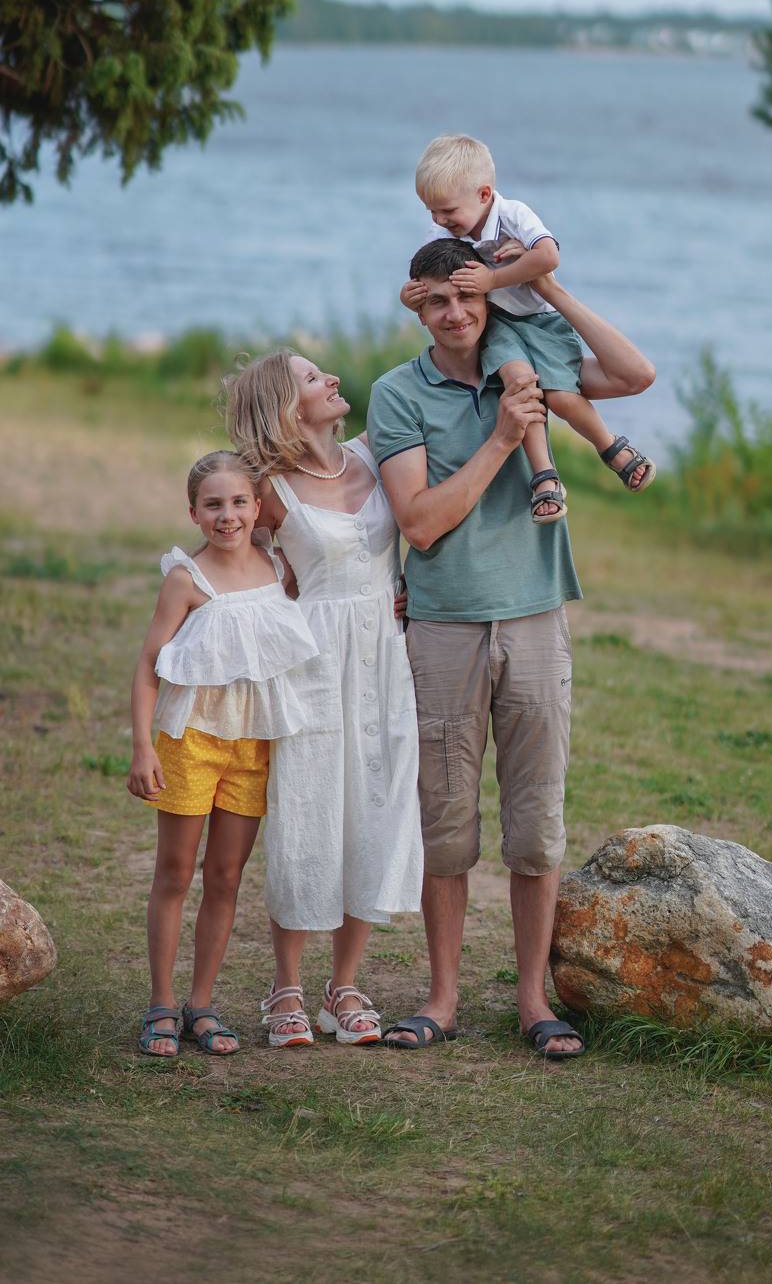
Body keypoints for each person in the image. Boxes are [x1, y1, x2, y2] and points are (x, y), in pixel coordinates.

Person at [370, 238, 655, 1058]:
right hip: (443, 626)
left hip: (534, 618)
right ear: (417, 307)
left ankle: (533, 1001)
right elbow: (419, 523)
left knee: (535, 829)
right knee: (445, 826)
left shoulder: (530, 366)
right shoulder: (397, 393)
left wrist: (546, 286)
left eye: (466, 296)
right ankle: (442, 998)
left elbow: (634, 374)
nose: (454, 313)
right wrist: (500, 440)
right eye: (436, 301)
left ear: (488, 296)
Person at [227, 351, 422, 1048]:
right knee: (306, 812)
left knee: (375, 804)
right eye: (313, 379)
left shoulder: (375, 454)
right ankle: (285, 986)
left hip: (384, 658)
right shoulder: (267, 487)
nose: (333, 380)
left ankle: (345, 985)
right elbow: (239, 569)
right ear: (285, 407)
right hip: (312, 664)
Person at [126, 450, 319, 1057]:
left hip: (253, 743)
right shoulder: (187, 580)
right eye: (213, 505)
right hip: (191, 741)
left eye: (238, 502)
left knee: (227, 875)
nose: (227, 515)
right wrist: (142, 746)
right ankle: (161, 1003)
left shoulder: (278, 568)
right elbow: (148, 665)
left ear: (258, 507)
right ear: (193, 513)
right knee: (175, 872)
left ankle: (202, 1004)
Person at [400, 133, 655, 523]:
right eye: (431, 212)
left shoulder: (513, 215)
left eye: (447, 211)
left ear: (484, 194)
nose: (439, 221)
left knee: (562, 397)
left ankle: (609, 446)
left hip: (539, 323)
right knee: (520, 383)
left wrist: (493, 280)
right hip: (498, 325)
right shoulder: (446, 235)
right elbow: (426, 273)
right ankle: (544, 475)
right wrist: (410, 296)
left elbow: (548, 257)